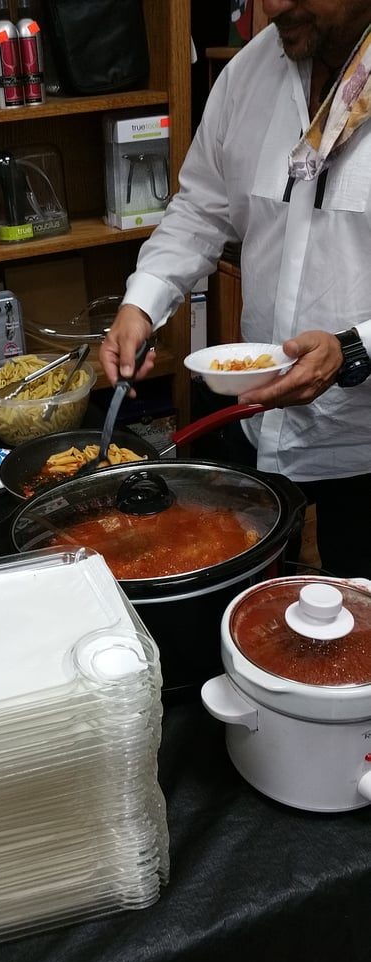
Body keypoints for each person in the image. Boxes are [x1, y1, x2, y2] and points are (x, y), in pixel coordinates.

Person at [99, 0, 371, 578]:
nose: (273, 6)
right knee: (254, 592)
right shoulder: (250, 71)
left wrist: (353, 348)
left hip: (363, 438)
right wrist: (142, 303)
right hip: (256, 414)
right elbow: (201, 207)